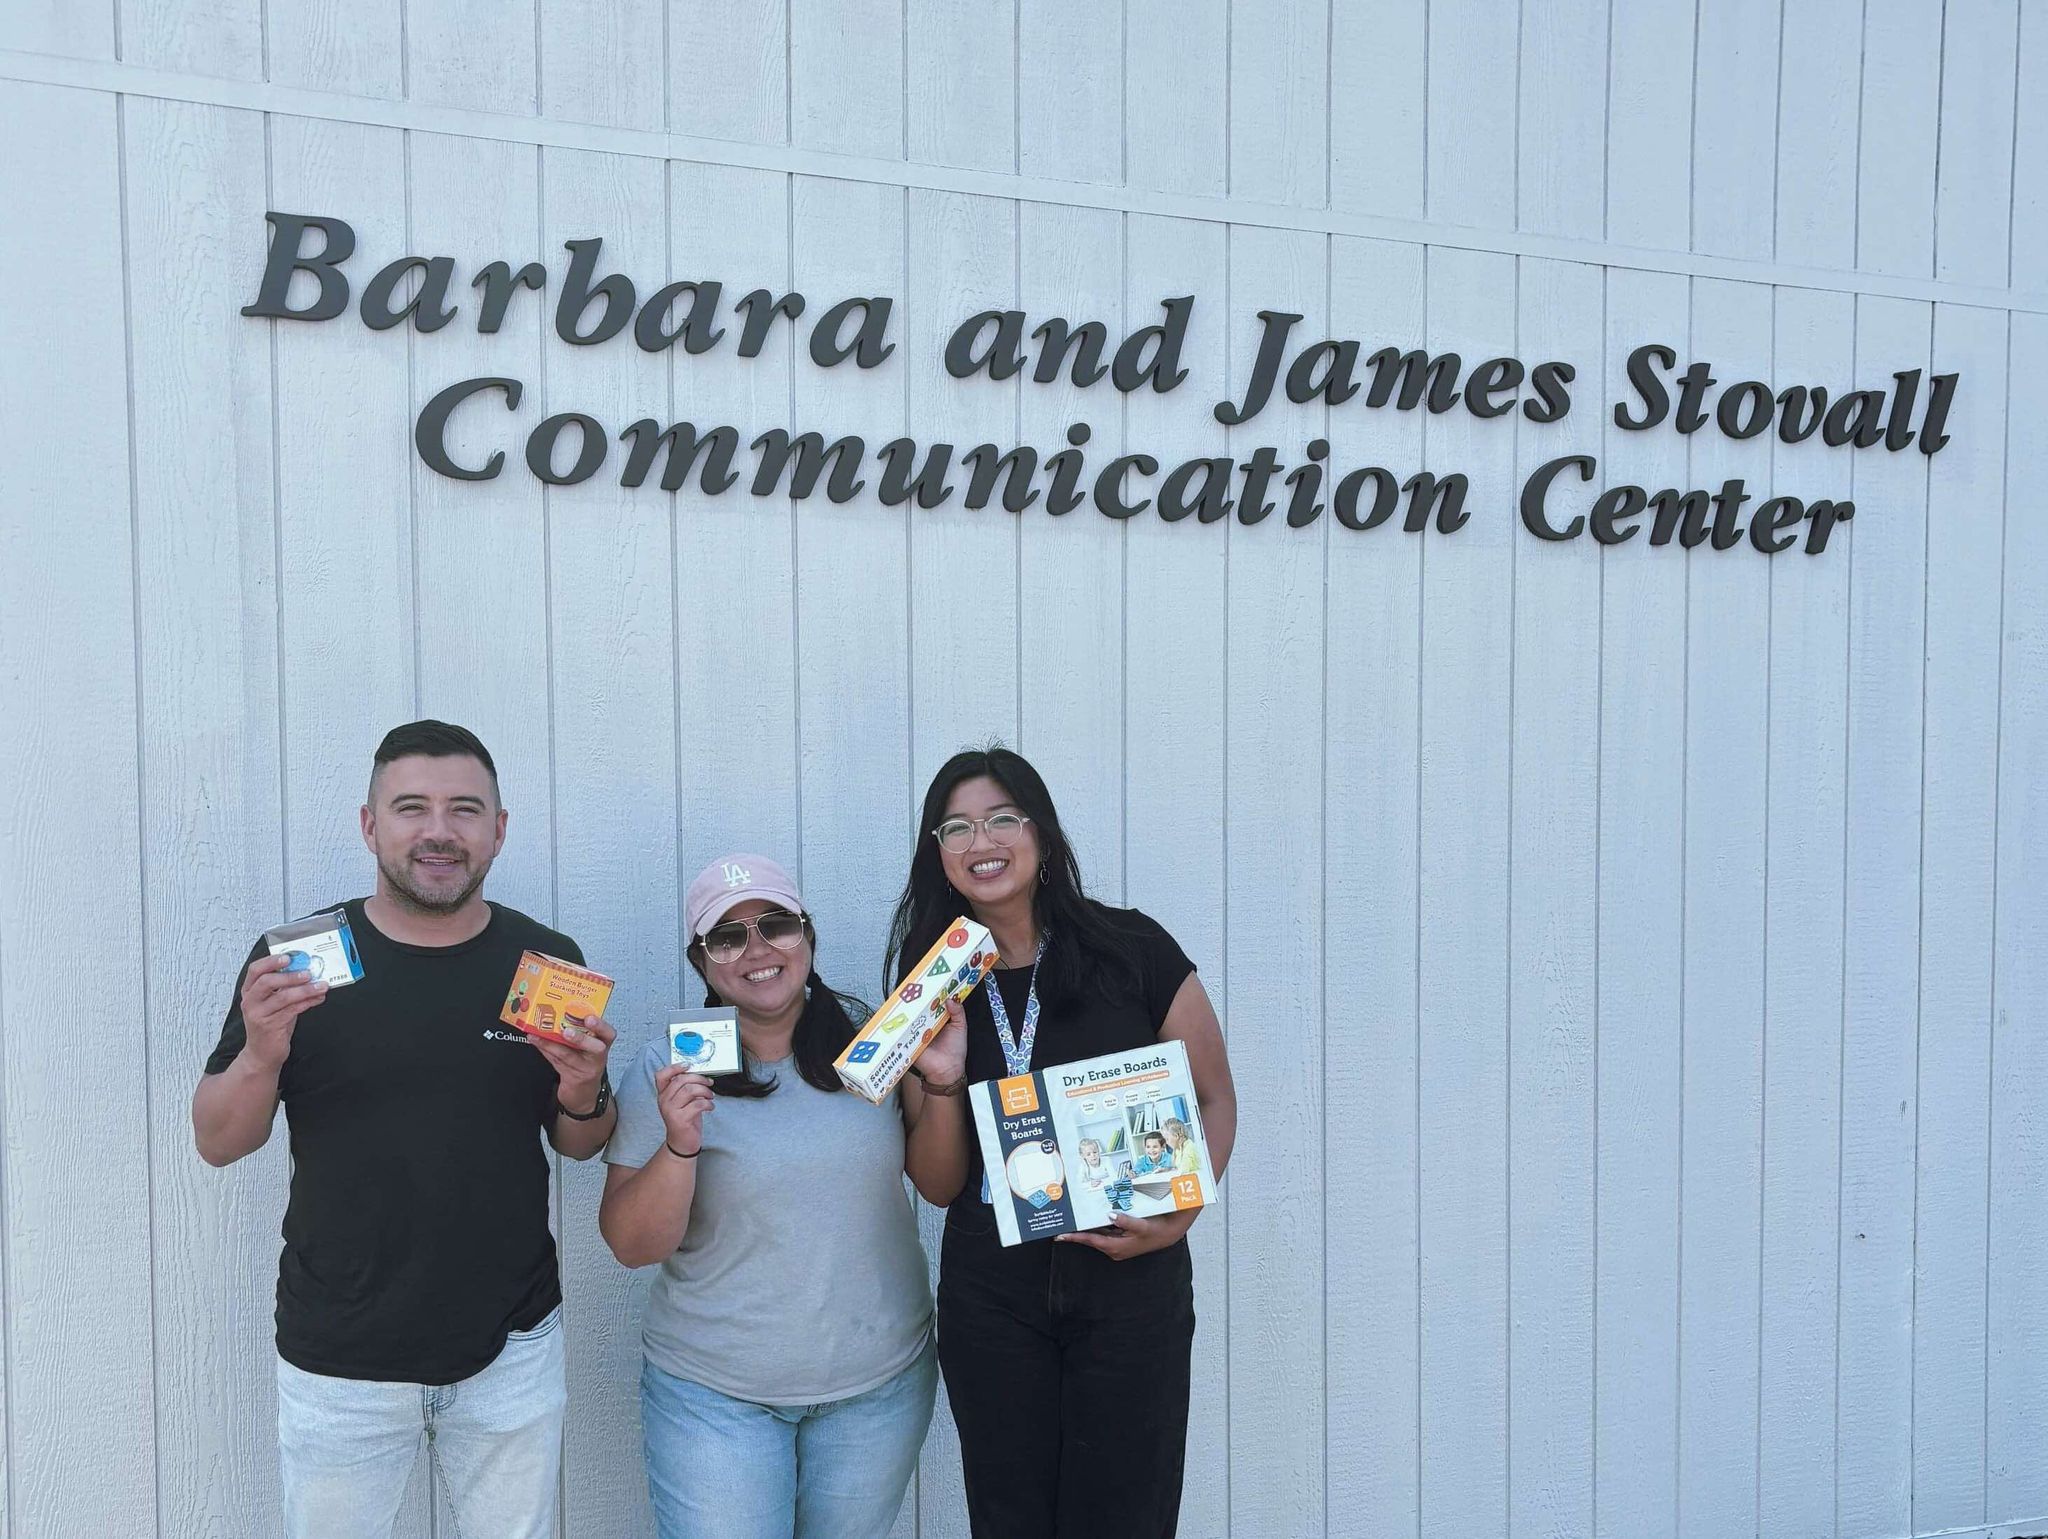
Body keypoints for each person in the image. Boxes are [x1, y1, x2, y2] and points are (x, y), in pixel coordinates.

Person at [191, 721, 616, 1539]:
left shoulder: (547, 962)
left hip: (512, 1345)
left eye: (464, 809)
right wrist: (262, 1054)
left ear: (499, 828)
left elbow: (581, 1141)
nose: (438, 831)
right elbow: (217, 1140)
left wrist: (584, 1089)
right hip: (338, 1353)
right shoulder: (298, 962)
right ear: (369, 824)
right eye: (411, 806)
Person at [884, 746, 1238, 1539]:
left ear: (1040, 833)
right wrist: (940, 1076)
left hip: (1130, 1272)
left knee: (1126, 1517)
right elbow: (938, 1185)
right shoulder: (929, 979)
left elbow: (1214, 1096)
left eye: (1003, 817)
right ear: (938, 852)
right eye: (958, 825)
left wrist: (1179, 1214)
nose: (983, 839)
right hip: (993, 1285)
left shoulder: (1132, 947)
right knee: (1010, 1522)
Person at [599, 854, 967, 1539]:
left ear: (808, 934)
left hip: (876, 1388)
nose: (757, 950)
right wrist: (680, 1141)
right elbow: (630, 1244)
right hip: (714, 1395)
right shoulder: (671, 1066)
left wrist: (942, 1082)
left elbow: (940, 1186)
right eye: (727, 937)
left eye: (776, 925)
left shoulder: (874, 1043)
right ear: (701, 960)